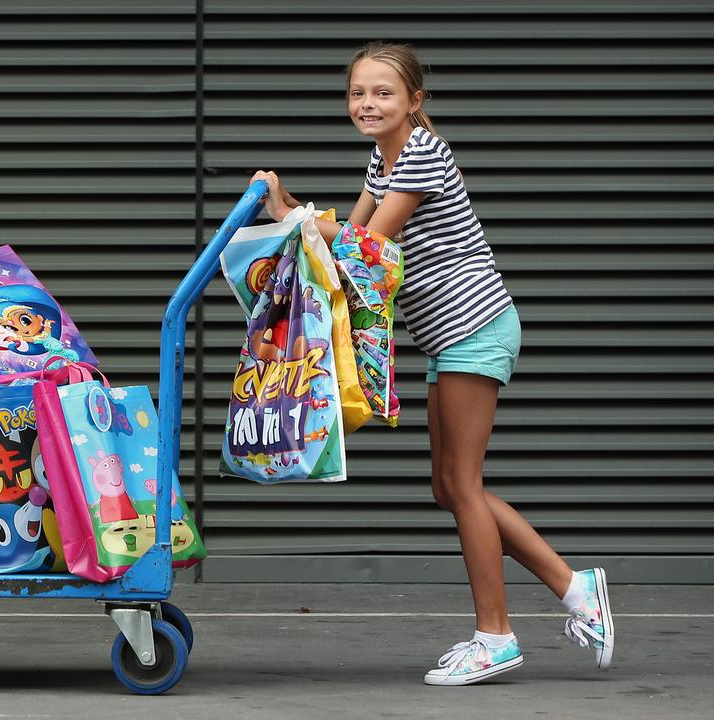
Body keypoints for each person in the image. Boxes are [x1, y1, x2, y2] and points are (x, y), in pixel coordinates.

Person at [250, 41, 614, 686]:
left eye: (384, 93)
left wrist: (293, 214)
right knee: (448, 487)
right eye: (359, 92)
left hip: (475, 328)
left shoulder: (422, 154)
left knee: (462, 486)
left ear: (414, 102)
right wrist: (293, 217)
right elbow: (344, 251)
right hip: (448, 339)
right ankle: (573, 582)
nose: (369, 103)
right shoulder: (380, 161)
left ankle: (495, 635)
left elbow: (369, 242)